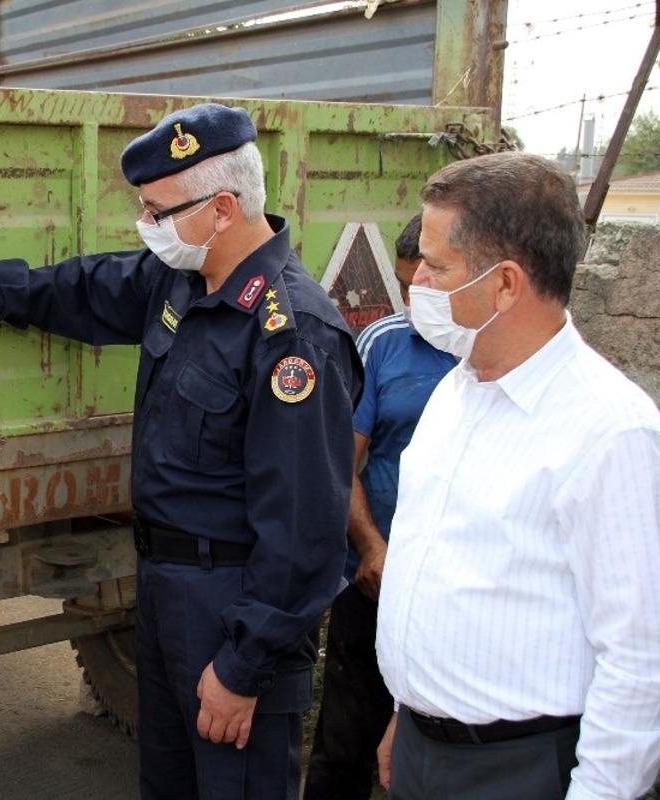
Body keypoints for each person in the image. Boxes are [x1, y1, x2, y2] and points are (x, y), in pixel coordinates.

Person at [0, 103, 363, 799]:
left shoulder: (291, 333)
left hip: (232, 606)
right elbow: (82, 288)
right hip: (162, 587)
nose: (146, 226)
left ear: (222, 209)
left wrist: (243, 667)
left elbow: (305, 533)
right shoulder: (182, 279)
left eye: (158, 211)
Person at [373, 152, 660, 799]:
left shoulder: (610, 432)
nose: (417, 280)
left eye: (436, 265)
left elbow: (642, 664)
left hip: (517, 770)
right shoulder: (460, 389)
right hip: (427, 751)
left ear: (506, 283)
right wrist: (413, 712)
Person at [304, 214, 456, 799]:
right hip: (376, 584)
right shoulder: (384, 343)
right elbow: (342, 459)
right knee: (343, 747)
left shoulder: (502, 361)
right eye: (405, 283)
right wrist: (371, 547)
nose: (417, 298)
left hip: (454, 600)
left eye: (429, 282)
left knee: (432, 756)